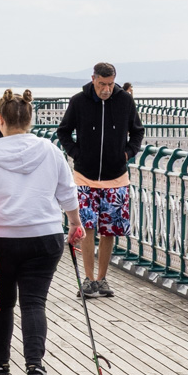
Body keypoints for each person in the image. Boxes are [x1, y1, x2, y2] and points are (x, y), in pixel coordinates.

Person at [0, 89, 84, 375]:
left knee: (2, 302)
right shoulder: (50, 151)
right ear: (31, 119)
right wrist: (74, 224)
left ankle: (1, 363)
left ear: (0, 120)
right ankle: (35, 365)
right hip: (44, 236)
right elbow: (67, 193)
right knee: (34, 302)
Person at [56, 63, 145, 297]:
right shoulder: (78, 101)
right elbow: (63, 131)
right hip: (85, 176)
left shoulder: (125, 100)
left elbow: (137, 131)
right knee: (86, 228)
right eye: (102, 84)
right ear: (93, 79)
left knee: (110, 230)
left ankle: (102, 279)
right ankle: (88, 280)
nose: (106, 89)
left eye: (110, 84)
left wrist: (127, 153)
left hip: (116, 177)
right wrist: (77, 154)